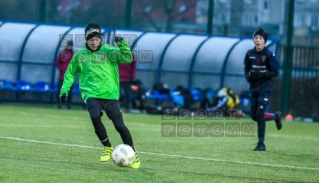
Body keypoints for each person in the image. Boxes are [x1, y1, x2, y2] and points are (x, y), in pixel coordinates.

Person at [59, 23, 140, 168]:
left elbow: (127, 59)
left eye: (97, 39)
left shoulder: (108, 50)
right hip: (91, 94)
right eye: (91, 40)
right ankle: (108, 147)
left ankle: (133, 153)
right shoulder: (80, 55)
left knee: (120, 126)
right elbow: (70, 74)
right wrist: (64, 90)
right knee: (95, 115)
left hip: (109, 94)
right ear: (86, 39)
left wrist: (122, 44)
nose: (94, 42)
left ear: (100, 38)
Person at [243, 28, 282, 151]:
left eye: (260, 38)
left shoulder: (269, 55)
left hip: (265, 88)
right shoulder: (249, 54)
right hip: (254, 88)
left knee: (259, 114)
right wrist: (247, 76)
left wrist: (263, 75)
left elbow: (275, 72)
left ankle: (261, 144)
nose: (258, 40)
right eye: (256, 38)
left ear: (264, 41)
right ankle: (275, 116)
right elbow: (246, 67)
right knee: (255, 116)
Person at [56, 40, 74, 109]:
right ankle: (59, 103)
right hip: (62, 76)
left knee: (69, 91)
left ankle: (68, 104)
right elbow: (57, 63)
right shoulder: (62, 53)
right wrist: (62, 69)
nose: (69, 47)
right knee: (61, 90)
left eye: (70, 45)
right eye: (68, 45)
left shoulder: (73, 55)